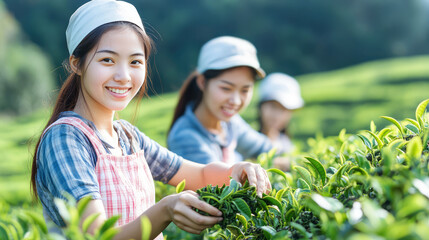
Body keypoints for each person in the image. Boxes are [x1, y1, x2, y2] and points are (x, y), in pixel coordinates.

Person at [30, 1, 271, 239]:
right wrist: (164, 210)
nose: (124, 76)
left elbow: (198, 175)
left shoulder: (127, 136)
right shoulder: (65, 139)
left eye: (135, 62)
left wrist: (236, 171)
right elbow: (100, 236)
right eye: (107, 60)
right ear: (77, 64)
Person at [167, 36, 275, 165]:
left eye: (245, 90)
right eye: (226, 88)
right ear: (202, 82)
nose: (235, 101)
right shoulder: (185, 136)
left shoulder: (230, 123)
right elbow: (216, 182)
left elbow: (267, 150)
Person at [258, 72, 304, 154]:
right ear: (261, 106)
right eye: (273, 107)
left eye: (284, 110)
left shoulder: (287, 144)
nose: (277, 116)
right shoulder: (246, 138)